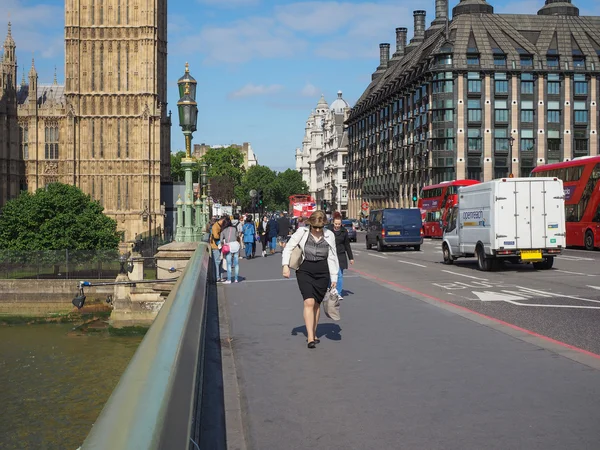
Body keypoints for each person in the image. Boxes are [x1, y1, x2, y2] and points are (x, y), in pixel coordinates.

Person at [282, 210, 339, 349]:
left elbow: (332, 256)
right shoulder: (302, 232)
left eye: (320, 227)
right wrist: (285, 266)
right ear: (311, 224)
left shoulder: (329, 235)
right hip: (305, 269)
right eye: (315, 227)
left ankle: (313, 331)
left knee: (316, 304)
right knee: (309, 301)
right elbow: (289, 247)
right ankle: (310, 337)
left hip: (323, 271)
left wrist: (334, 277)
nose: (318, 230)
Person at [327, 212, 354, 299]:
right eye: (336, 224)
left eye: (339, 224)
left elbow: (347, 245)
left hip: (340, 254)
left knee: (339, 274)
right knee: (330, 273)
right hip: (330, 254)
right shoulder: (328, 230)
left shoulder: (344, 231)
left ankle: (338, 292)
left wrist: (351, 258)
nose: (337, 225)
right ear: (333, 223)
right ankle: (329, 289)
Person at [220, 217, 241, 284]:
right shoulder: (234, 228)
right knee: (236, 263)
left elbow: (221, 240)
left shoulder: (223, 230)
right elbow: (237, 235)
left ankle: (229, 279)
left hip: (228, 246)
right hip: (235, 245)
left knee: (229, 264)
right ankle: (236, 279)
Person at [210, 216, 227, 282]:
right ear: (222, 220)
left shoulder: (218, 226)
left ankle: (219, 276)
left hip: (219, 246)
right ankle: (217, 277)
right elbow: (216, 237)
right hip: (216, 246)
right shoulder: (215, 227)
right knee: (217, 262)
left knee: (220, 261)